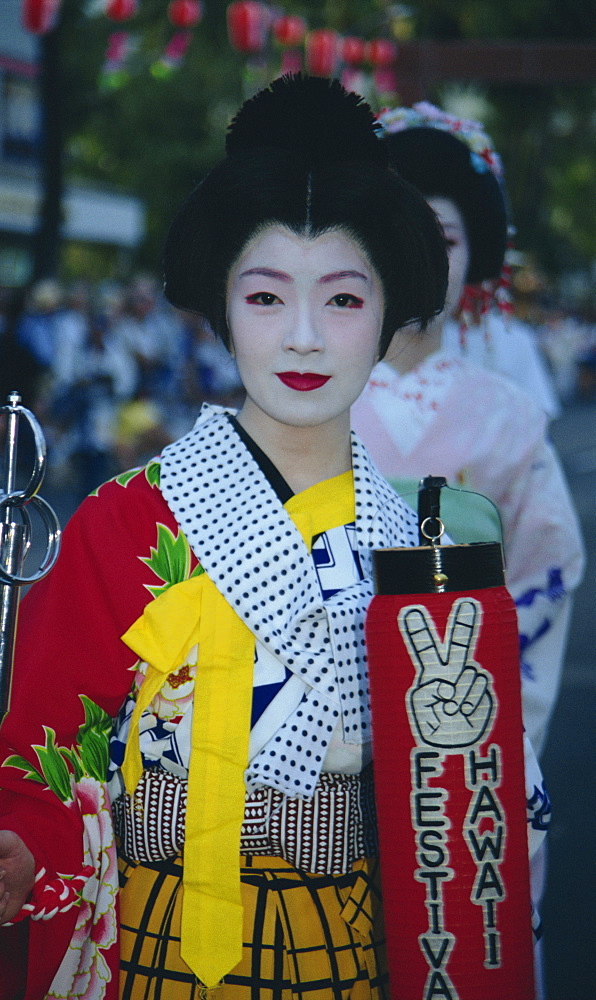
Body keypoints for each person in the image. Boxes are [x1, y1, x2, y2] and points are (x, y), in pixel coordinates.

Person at [0, 77, 540, 1000]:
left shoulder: (428, 537)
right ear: (221, 306)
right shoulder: (126, 524)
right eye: (265, 298)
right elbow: (39, 746)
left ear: (388, 313)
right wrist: (18, 857)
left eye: (342, 301)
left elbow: (473, 787)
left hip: (359, 940)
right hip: (157, 935)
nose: (302, 337)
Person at [350, 104, 585, 998]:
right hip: (317, 737)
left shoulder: (508, 418)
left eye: (441, 232)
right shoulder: (298, 392)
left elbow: (546, 573)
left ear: (472, 256)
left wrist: (480, 700)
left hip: (463, 732)